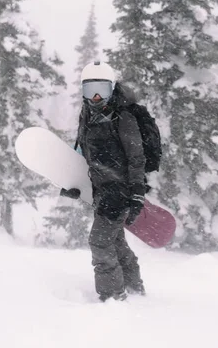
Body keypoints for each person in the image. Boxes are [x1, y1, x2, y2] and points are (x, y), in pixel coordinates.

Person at [60, 60, 147, 302]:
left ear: (112, 88)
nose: (96, 97)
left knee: (99, 241)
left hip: (119, 192)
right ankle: (134, 287)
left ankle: (112, 296)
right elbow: (82, 151)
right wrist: (74, 182)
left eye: (102, 90)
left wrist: (137, 192)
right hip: (101, 190)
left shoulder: (124, 117)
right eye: (90, 90)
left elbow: (136, 157)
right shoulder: (87, 115)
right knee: (115, 241)